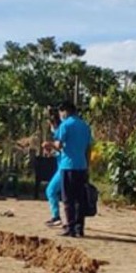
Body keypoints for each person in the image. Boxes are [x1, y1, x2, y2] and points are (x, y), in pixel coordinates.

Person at [53, 100, 93, 238]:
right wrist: (87, 165)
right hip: (82, 166)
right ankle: (79, 228)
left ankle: (70, 227)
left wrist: (50, 145)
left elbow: (58, 145)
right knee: (80, 199)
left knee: (67, 199)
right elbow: (88, 148)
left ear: (65, 111)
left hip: (68, 166)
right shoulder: (85, 126)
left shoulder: (65, 125)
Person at [43, 146, 65, 227]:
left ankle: (56, 217)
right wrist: (53, 152)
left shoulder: (62, 134)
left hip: (64, 168)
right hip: (65, 167)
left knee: (51, 190)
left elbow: (63, 148)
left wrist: (51, 145)